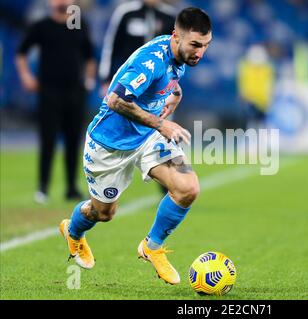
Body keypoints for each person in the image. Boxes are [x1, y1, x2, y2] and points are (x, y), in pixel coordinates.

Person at [59, 7, 212, 285]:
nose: (200, 52)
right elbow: (115, 100)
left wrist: (175, 94)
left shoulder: (180, 56)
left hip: (148, 138)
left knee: (187, 188)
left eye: (205, 46)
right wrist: (161, 123)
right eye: (195, 45)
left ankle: (151, 247)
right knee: (103, 213)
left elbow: (170, 81)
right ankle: (73, 231)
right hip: (109, 145)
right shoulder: (150, 61)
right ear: (175, 36)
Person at [16, 0, 96, 203]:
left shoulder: (79, 24)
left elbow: (89, 56)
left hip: (75, 92)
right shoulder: (42, 26)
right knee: (48, 140)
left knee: (72, 141)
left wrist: (88, 80)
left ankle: (71, 187)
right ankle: (43, 187)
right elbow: (21, 53)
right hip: (49, 91)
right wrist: (26, 76)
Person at [99, 0, 177, 196]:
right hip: (130, 85)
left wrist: (173, 86)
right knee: (122, 129)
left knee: (164, 133)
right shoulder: (126, 13)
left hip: (158, 89)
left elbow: (177, 54)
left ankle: (168, 188)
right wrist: (105, 79)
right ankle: (105, 182)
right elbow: (112, 46)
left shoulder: (169, 17)